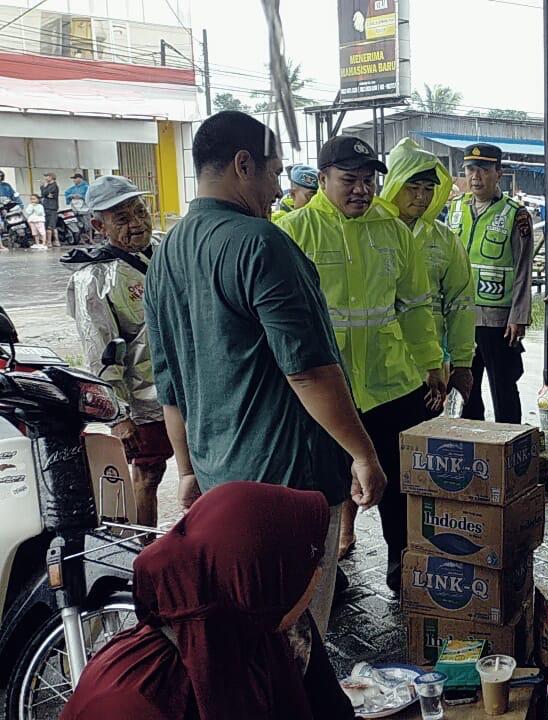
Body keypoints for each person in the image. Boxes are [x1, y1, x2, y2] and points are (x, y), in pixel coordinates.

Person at [145, 111, 385, 634]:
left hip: (216, 481)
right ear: (243, 164)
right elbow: (307, 371)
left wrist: (187, 471)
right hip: (287, 485)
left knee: (246, 637)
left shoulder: (165, 254)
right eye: (274, 173)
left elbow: (169, 384)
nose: (278, 190)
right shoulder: (262, 243)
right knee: (296, 638)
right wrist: (363, 453)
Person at [278, 134, 445, 596]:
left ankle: (403, 571)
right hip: (322, 390)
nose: (361, 189)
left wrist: (433, 362)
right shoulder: (292, 232)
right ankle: (322, 581)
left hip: (391, 383)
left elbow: (415, 305)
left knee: (402, 485)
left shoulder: (393, 231)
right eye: (349, 179)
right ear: (323, 178)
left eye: (369, 180)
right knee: (321, 491)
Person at [62, 482, 354, 720]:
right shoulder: (134, 701)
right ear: (264, 586)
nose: (320, 571)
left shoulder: (274, 625)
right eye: (310, 560)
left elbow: (333, 710)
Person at [63, 176, 170, 530]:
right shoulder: (93, 278)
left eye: (140, 211)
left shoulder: (168, 250)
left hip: (191, 393)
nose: (137, 223)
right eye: (122, 218)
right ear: (99, 225)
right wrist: (119, 416)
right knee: (148, 474)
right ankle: (144, 555)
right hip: (143, 401)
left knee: (201, 471)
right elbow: (100, 355)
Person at [447, 143, 534, 423]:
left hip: (498, 321)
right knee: (464, 388)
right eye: (471, 169)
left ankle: (511, 451)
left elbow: (523, 268)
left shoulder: (515, 214)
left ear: (499, 173)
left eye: (483, 170)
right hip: (460, 319)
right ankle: (475, 446)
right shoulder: (455, 209)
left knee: (503, 388)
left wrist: (518, 316)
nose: (476, 176)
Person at [40, 172, 59, 246]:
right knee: (50, 225)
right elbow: (44, 195)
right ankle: (54, 241)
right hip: (46, 206)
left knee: (50, 225)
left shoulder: (54, 185)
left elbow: (45, 193)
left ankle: (50, 242)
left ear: (51, 177)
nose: (45, 178)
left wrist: (44, 188)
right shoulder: (46, 185)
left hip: (52, 207)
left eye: (47, 176)